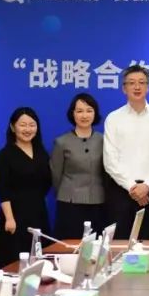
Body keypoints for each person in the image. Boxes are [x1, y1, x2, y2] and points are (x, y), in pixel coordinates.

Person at [103, 65, 149, 241]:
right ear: (123, 88)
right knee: (119, 245)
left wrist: (146, 186)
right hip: (120, 192)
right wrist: (132, 187)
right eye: (131, 83)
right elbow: (110, 161)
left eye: (142, 82)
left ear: (148, 87)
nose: (137, 87)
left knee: (146, 246)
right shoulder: (113, 118)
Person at [0, 107, 52, 271]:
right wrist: (9, 218)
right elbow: (3, 189)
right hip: (15, 215)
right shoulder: (5, 155)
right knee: (14, 260)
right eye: (22, 125)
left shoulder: (42, 152)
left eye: (32, 125)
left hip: (38, 213)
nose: (27, 129)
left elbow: (47, 183)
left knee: (40, 261)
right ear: (13, 127)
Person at [50, 93, 106, 239]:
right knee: (69, 245)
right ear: (72, 114)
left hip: (97, 202)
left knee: (95, 245)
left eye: (89, 110)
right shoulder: (61, 142)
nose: (84, 115)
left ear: (95, 113)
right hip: (70, 204)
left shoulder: (104, 140)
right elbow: (56, 175)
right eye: (79, 111)